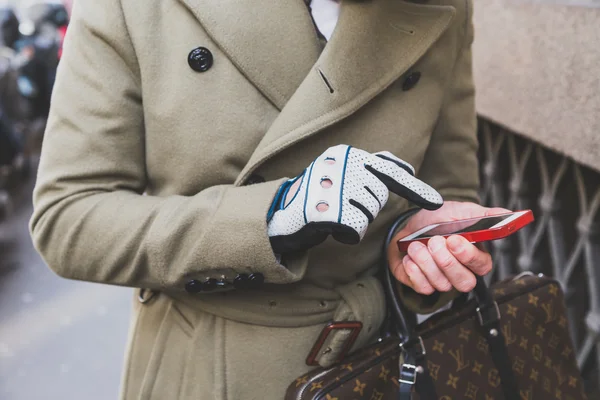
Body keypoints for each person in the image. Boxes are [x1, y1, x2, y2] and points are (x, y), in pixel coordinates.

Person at [30, 0, 507, 398]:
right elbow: (68, 218)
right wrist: (278, 214)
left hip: (383, 360)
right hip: (214, 370)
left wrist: (422, 244)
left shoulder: (441, 6)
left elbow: (445, 191)